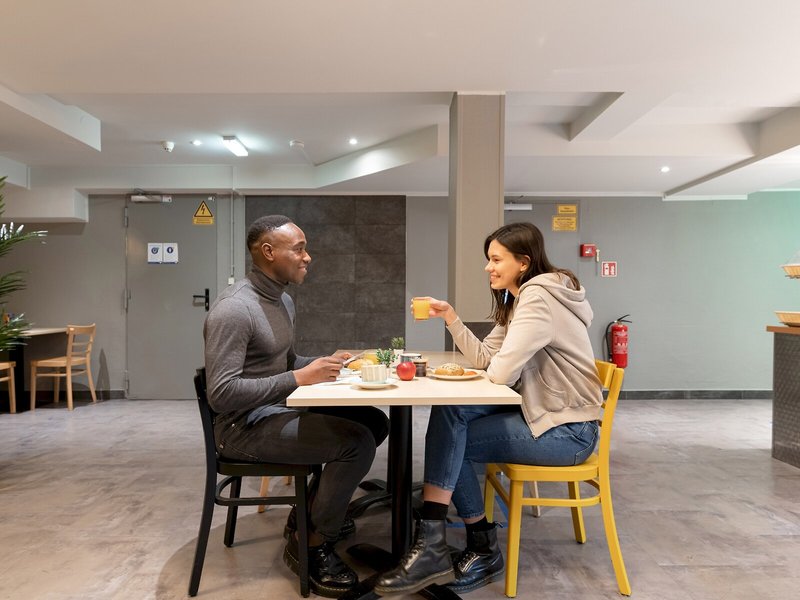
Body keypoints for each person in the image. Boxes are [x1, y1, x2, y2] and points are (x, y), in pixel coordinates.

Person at [375, 221, 603, 596]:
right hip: (544, 417)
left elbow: (500, 373)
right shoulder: (519, 300)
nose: (488, 267)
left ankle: (469, 546)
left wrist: (498, 362)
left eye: (496, 259)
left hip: (568, 432)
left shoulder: (538, 298)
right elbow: (485, 358)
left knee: (455, 438)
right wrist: (451, 317)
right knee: (451, 414)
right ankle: (446, 539)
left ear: (523, 262)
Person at [204, 214, 389, 598]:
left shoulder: (282, 300)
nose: (308, 257)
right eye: (299, 249)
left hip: (275, 410)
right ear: (268, 252)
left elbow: (285, 363)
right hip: (240, 427)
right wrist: (298, 379)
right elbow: (221, 394)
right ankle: (312, 543)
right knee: (356, 443)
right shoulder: (234, 310)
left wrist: (327, 363)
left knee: (373, 421)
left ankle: (308, 515)